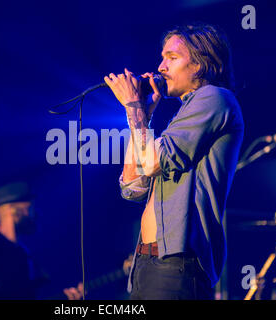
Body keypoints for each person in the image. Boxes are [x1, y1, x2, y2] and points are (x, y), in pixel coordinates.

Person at [104, 23, 244, 300]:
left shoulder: (214, 98)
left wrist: (133, 107)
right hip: (146, 262)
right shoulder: (183, 116)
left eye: (172, 57)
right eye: (162, 56)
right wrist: (144, 111)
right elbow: (133, 187)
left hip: (176, 264)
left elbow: (151, 162)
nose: (161, 65)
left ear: (200, 66)